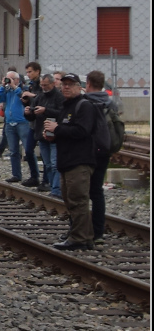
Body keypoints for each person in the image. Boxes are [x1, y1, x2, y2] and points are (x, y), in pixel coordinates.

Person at [45, 73, 106, 250]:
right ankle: (83, 236)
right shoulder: (66, 106)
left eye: (71, 84)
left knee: (78, 200)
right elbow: (66, 132)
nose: (66, 87)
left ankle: (80, 238)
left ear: (80, 86)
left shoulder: (84, 106)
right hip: (67, 161)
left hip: (80, 161)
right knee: (71, 200)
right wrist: (53, 136)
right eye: (64, 84)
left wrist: (58, 128)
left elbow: (82, 131)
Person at [83, 70, 124, 242]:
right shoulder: (110, 103)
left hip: (86, 152)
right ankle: (98, 231)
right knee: (97, 191)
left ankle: (81, 229)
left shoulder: (84, 102)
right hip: (104, 151)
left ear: (89, 83)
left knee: (81, 192)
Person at [24, 69, 64, 194]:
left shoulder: (59, 97)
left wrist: (45, 110)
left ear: (52, 84)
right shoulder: (40, 96)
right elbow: (33, 116)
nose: (43, 87)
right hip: (42, 134)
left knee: (54, 164)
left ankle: (56, 190)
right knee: (47, 164)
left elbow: (62, 114)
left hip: (56, 135)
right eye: (42, 85)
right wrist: (28, 113)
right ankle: (53, 187)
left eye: (45, 85)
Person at [0, 71, 34, 184]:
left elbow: (23, 96)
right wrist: (2, 86)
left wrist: (14, 86)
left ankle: (34, 175)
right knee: (13, 151)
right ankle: (16, 174)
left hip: (22, 122)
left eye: (10, 79)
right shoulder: (7, 90)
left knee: (28, 150)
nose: (8, 81)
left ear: (17, 79)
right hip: (10, 123)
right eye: (7, 79)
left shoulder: (23, 88)